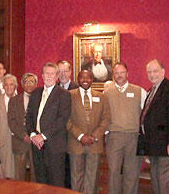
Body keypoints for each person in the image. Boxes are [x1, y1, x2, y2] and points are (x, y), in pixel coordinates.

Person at [137, 59, 169, 194]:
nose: (152, 75)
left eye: (155, 71)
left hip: (166, 147)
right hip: (153, 146)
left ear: (163, 72)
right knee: (156, 183)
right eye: (149, 72)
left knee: (165, 185)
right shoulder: (151, 90)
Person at [26, 62, 71, 187]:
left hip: (55, 147)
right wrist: (33, 135)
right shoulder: (35, 93)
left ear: (57, 76)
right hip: (37, 146)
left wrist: (43, 136)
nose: (49, 76)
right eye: (46, 73)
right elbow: (29, 117)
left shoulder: (64, 95)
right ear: (42, 75)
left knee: (55, 182)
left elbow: (62, 120)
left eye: (52, 74)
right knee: (40, 181)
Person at [104, 62, 146, 194]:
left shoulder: (139, 91)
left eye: (122, 72)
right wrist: (106, 133)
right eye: (116, 73)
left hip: (133, 137)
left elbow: (146, 115)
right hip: (114, 137)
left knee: (132, 172)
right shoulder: (106, 92)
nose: (119, 75)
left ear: (127, 74)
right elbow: (103, 115)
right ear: (113, 75)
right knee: (114, 173)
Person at [67, 70, 110, 194]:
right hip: (75, 143)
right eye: (82, 77)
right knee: (76, 178)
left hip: (94, 144)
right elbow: (66, 119)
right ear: (77, 79)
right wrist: (80, 136)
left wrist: (94, 136)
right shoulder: (69, 95)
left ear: (92, 79)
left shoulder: (101, 96)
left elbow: (106, 118)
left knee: (92, 178)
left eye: (88, 77)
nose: (85, 80)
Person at [8, 73, 38, 182]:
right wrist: (23, 136)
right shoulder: (14, 100)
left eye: (31, 81)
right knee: (19, 176)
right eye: (26, 82)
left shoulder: (41, 99)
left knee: (36, 175)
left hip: (37, 143)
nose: (29, 84)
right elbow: (12, 122)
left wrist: (35, 136)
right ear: (22, 84)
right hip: (19, 142)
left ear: (36, 84)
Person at [0, 74, 17, 179]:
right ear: (3, 86)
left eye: (11, 85)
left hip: (15, 140)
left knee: (13, 169)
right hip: (1, 139)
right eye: (6, 85)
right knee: (1, 170)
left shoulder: (19, 100)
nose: (9, 87)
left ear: (15, 86)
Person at [57, 60, 78, 188]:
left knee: (72, 170)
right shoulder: (53, 88)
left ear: (70, 72)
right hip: (57, 136)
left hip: (73, 135)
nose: (63, 74)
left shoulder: (77, 88)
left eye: (65, 71)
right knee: (59, 169)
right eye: (60, 71)